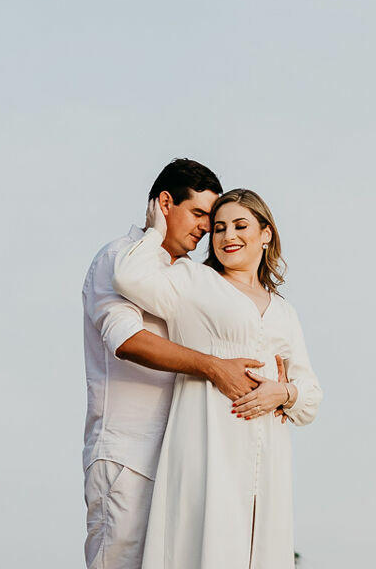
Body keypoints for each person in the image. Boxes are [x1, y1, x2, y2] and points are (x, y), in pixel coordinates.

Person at [113, 187, 323, 569]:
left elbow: (311, 396)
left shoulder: (285, 312)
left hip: (269, 459)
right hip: (207, 444)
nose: (228, 236)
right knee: (205, 545)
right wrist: (156, 229)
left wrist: (284, 392)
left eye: (241, 226)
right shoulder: (192, 280)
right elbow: (129, 278)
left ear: (266, 234)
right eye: (220, 228)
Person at [84, 159, 268, 569]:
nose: (207, 228)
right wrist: (215, 367)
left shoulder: (186, 275)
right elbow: (127, 341)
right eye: (199, 214)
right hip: (129, 456)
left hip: (179, 461)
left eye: (212, 218)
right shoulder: (118, 258)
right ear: (165, 203)